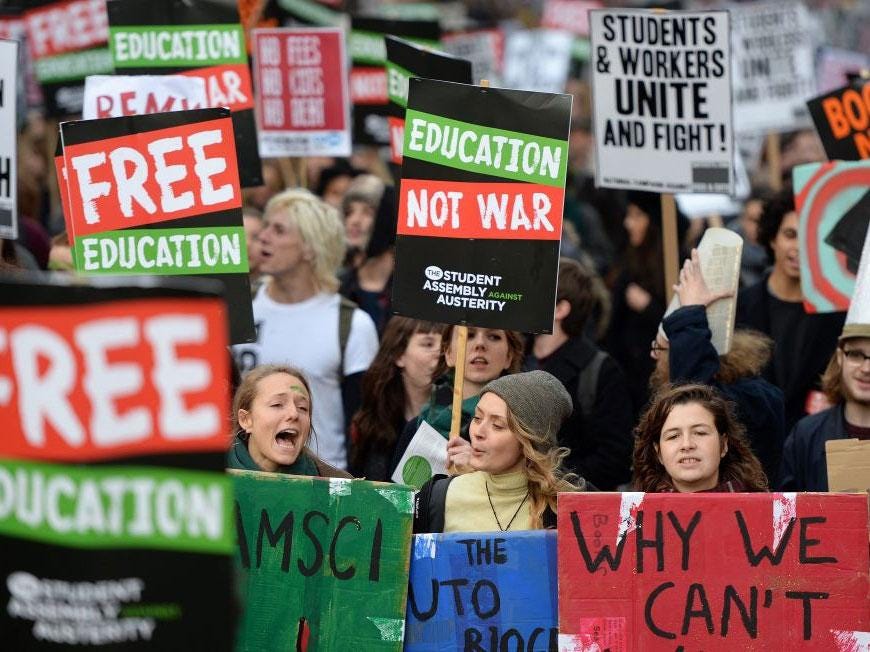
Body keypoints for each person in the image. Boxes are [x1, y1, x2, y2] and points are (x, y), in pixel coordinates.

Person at [232, 189, 379, 471]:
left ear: (311, 248)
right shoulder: (239, 307)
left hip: (321, 482)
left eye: (279, 230)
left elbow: (364, 426)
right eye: (266, 226)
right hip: (244, 476)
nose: (263, 236)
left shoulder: (352, 324)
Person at [652, 249, 786, 480]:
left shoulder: (752, 399)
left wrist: (690, 317)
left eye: (661, 348)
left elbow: (695, 395)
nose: (654, 355)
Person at [413, 370, 585, 533]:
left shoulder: (569, 508)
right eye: (477, 418)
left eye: (497, 425)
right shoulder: (437, 499)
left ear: (529, 442)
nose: (478, 432)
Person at [736, 188, 845, 431]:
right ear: (772, 239)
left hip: (814, 442)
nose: (799, 246)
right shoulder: (739, 307)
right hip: (753, 442)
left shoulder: (837, 314)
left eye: (808, 236)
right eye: (790, 234)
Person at [528, 258, 633, 490]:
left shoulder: (601, 371)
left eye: (535, 294)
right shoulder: (514, 358)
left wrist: (550, 477)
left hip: (567, 500)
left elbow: (615, 459)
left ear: (560, 309)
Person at [389, 325, 524, 471]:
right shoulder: (417, 427)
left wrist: (477, 471)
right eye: (469, 335)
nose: (480, 344)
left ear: (509, 357)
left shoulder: (522, 430)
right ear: (448, 353)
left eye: (493, 337)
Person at [605, 191, 676, 415]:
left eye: (637, 216)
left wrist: (649, 308)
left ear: (653, 221)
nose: (628, 223)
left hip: (657, 380)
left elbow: (679, 324)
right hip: (627, 380)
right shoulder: (626, 261)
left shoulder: (674, 264)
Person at [778, 322, 870, 491]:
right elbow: (788, 503)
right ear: (840, 357)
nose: (866, 368)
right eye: (856, 354)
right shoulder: (806, 435)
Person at [350, 317, 442, 481]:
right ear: (399, 355)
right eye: (428, 344)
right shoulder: (372, 422)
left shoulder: (456, 420)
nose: (440, 354)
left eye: (446, 346)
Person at [633, 383, 769, 493]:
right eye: (673, 436)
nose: (687, 445)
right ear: (658, 452)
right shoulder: (635, 514)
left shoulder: (764, 510)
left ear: (723, 445)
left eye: (700, 433)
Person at [227, 364, 351, 478]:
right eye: (277, 404)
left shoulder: (339, 485)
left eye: (302, 408)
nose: (294, 414)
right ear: (246, 420)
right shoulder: (216, 479)